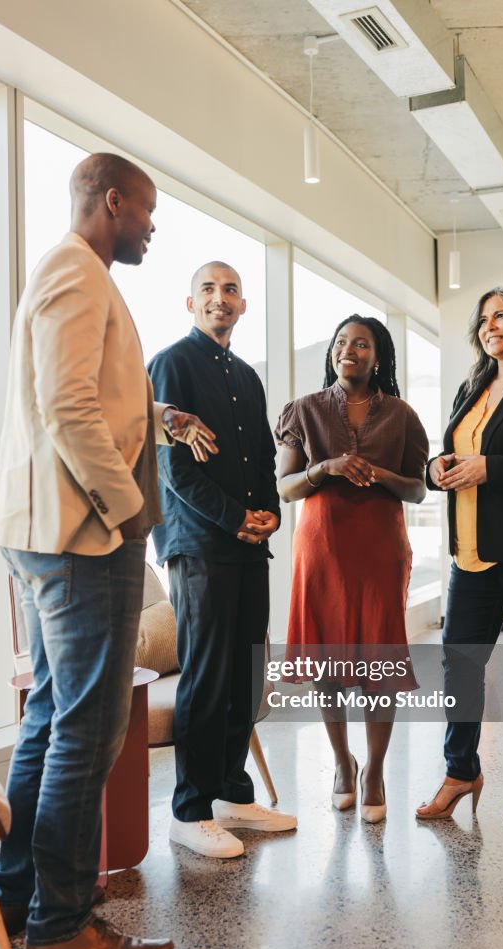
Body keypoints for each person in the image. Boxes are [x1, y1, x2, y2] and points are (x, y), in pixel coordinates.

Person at [0, 153, 217, 949]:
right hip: (83, 537)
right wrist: (127, 515)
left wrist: (152, 413)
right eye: (146, 211)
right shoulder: (76, 272)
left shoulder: (70, 274)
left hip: (50, 532)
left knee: (53, 720)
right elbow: (67, 407)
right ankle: (61, 925)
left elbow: (81, 392)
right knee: (88, 731)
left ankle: (19, 898)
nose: (152, 226)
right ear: (111, 202)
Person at [148, 261, 297, 860]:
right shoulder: (171, 363)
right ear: (191, 304)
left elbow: (264, 454)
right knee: (207, 675)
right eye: (207, 289)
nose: (219, 298)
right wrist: (234, 518)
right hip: (199, 545)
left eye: (230, 289)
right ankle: (189, 810)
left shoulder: (247, 375)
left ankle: (233, 794)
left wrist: (267, 514)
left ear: (243, 305)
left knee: (245, 674)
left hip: (247, 545)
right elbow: (173, 467)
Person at [276, 315, 428, 823]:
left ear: (377, 356)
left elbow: (416, 489)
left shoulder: (402, 416)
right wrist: (325, 468)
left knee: (378, 664)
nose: (349, 349)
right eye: (341, 341)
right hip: (322, 548)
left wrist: (381, 474)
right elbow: (285, 486)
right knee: (327, 662)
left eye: (360, 344)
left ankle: (376, 770)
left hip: (380, 549)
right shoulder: (305, 410)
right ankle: (343, 762)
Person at [415, 286, 503, 822]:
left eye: (502, 315)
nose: (490, 325)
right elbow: (456, 448)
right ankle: (460, 771)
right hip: (469, 554)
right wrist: (438, 468)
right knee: (459, 666)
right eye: (483, 319)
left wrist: (490, 468)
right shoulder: (474, 383)